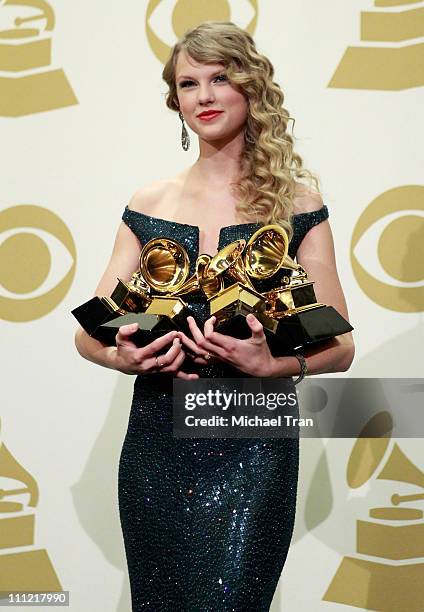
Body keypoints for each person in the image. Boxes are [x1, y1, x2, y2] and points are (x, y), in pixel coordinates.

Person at [74, 21, 354, 612]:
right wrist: (120, 356)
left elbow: (339, 346)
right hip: (155, 442)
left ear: (251, 88)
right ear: (174, 101)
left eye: (220, 78)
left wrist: (273, 365)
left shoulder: (297, 205)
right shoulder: (148, 204)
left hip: (255, 441)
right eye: (188, 83)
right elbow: (89, 333)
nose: (203, 96)